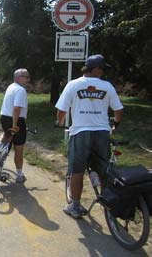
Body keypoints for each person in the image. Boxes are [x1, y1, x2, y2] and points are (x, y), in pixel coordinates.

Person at [55, 54, 124, 219]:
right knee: (103, 170)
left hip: (80, 132)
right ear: (95, 69)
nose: (102, 72)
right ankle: (109, 204)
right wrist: (115, 125)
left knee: (77, 170)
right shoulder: (107, 86)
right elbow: (119, 111)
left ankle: (75, 206)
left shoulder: (73, 85)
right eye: (101, 69)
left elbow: (62, 111)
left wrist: (59, 123)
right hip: (101, 132)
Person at [0, 68, 30, 184]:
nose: (28, 79)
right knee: (19, 148)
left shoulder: (10, 87)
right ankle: (20, 175)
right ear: (18, 77)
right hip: (16, 120)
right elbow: (16, 109)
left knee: (7, 136)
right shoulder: (21, 90)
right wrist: (15, 125)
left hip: (4, 117)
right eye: (26, 77)